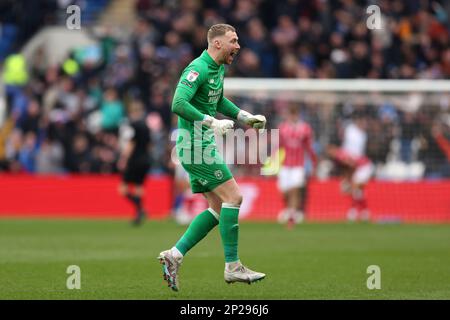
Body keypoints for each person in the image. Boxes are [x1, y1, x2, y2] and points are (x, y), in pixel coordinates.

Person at [158, 23, 267, 291]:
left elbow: (216, 100)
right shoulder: (197, 68)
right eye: (233, 40)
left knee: (218, 209)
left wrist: (243, 117)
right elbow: (178, 103)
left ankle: (174, 255)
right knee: (235, 197)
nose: (238, 46)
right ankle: (233, 266)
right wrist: (210, 122)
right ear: (217, 43)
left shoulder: (217, 69)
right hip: (195, 145)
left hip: (201, 143)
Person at [327, 113, 373, 222]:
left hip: (364, 167)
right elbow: (348, 168)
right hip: (359, 167)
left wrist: (348, 181)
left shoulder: (341, 155)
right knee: (357, 191)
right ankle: (364, 212)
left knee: (354, 188)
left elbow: (351, 165)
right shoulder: (340, 156)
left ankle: (353, 211)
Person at [276, 105, 317, 227]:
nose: (293, 116)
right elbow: (278, 147)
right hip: (285, 165)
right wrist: (273, 164)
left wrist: (314, 162)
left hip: (298, 164)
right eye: (291, 113)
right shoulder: (282, 128)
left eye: (295, 114)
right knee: (284, 191)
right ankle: (289, 210)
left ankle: (292, 216)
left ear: (298, 115)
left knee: (295, 189)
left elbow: (309, 147)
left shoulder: (305, 129)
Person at [117, 100, 151, 226]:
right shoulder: (146, 126)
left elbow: (131, 143)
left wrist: (123, 158)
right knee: (138, 187)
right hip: (145, 160)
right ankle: (139, 213)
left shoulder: (133, 125)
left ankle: (140, 209)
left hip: (135, 160)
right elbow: (149, 144)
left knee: (123, 189)